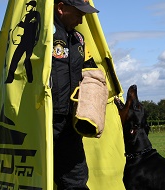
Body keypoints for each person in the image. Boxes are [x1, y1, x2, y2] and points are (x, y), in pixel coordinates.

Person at [51, 0, 99, 189]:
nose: (81, 20)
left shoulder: (79, 39)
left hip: (70, 123)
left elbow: (92, 72)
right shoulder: (41, 35)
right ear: (61, 8)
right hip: (41, 121)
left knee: (76, 179)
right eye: (79, 14)